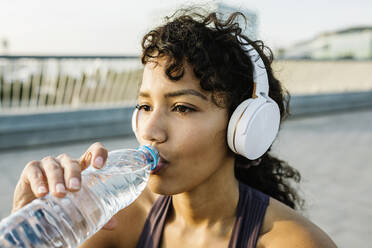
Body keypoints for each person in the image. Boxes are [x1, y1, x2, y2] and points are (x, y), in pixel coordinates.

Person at [11, 9, 337, 248]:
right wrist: (34, 225)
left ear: (244, 129)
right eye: (145, 106)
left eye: (182, 107)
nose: (150, 130)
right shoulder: (116, 221)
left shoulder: (295, 242)